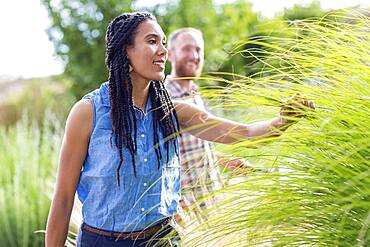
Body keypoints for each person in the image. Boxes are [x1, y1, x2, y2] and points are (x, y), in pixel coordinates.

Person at [45, 11, 314, 247]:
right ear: (124, 51)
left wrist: (283, 121)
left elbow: (244, 134)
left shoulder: (174, 112)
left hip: (162, 239)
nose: (163, 50)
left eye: (163, 42)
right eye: (152, 41)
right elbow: (64, 198)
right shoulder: (88, 113)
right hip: (102, 242)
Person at [165, 28, 250, 218]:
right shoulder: (163, 98)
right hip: (186, 214)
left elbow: (189, 150)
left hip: (212, 205)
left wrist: (225, 161)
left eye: (198, 49)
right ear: (170, 54)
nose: (194, 56)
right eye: (186, 49)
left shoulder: (195, 93)